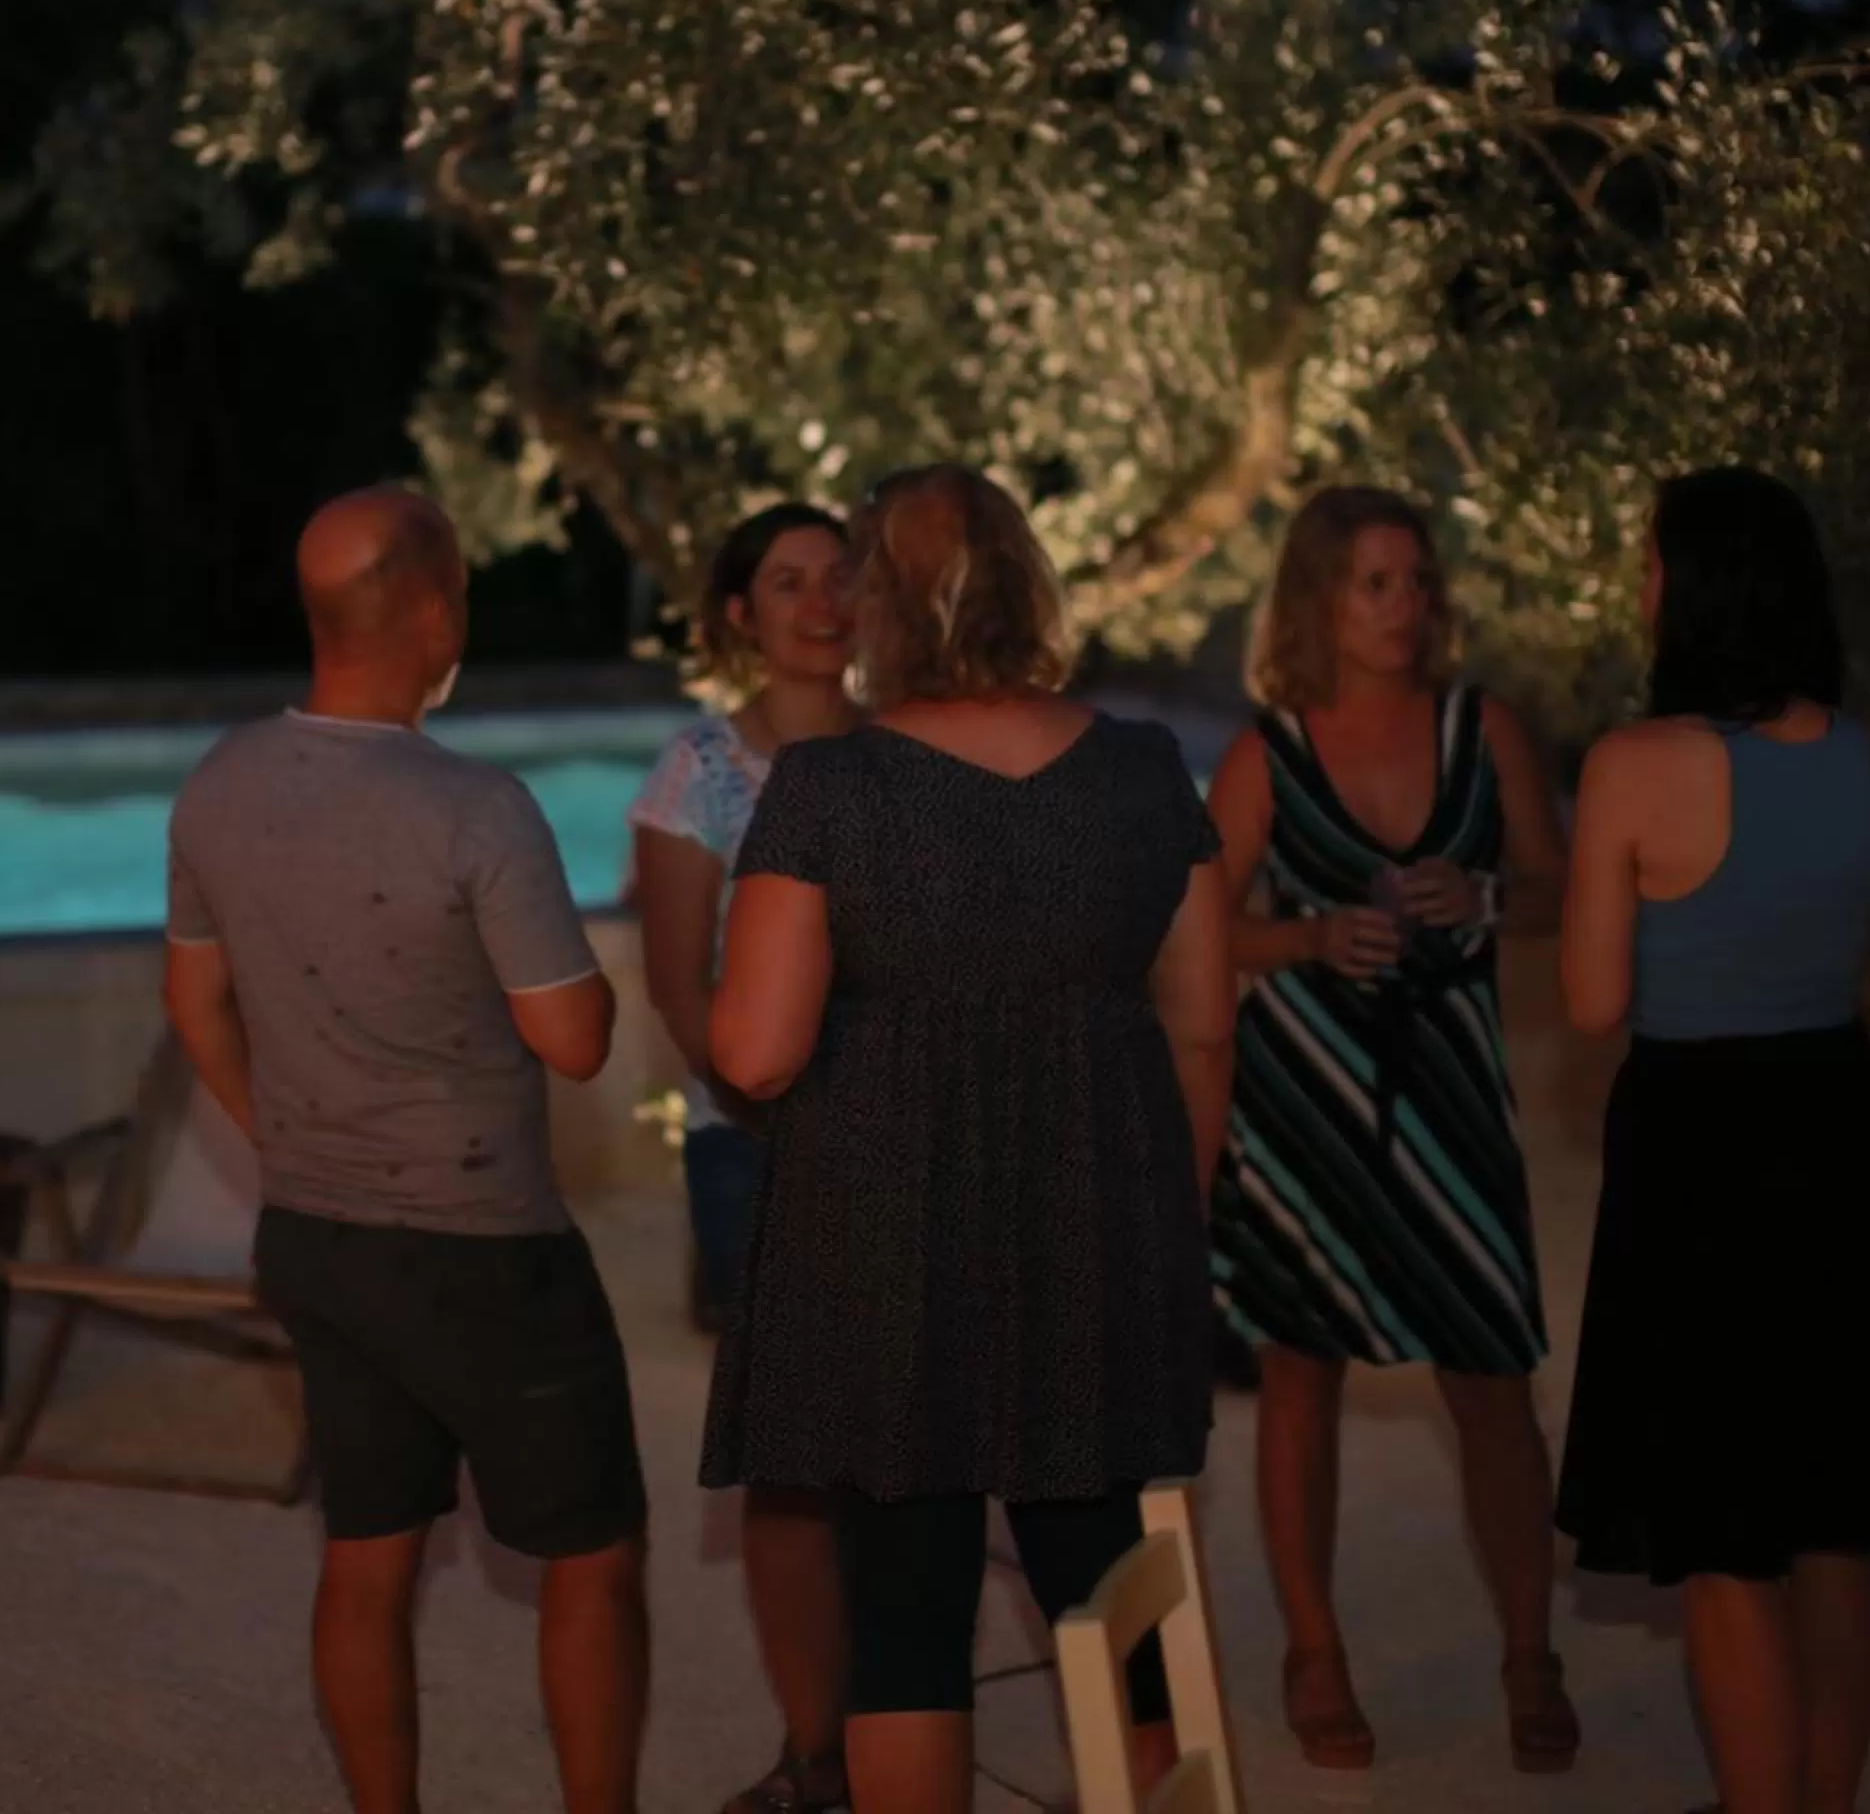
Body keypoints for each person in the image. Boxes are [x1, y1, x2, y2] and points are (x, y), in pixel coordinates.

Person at [704, 465, 1236, 1814]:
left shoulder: (827, 788)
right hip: (1097, 1216)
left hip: (886, 1231)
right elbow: (1205, 1027)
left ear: (882, 603)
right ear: (1026, 580)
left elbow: (754, 1050)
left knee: (905, 1629)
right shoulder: (1142, 768)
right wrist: (1168, 1214)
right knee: (1114, 1589)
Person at [161, 487, 650, 1814]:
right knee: (594, 1557)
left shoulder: (218, 782)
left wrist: (291, 1135)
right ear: (434, 612)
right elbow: (577, 1043)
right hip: (484, 1248)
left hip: (317, 1237)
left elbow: (195, 1009)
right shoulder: (479, 808)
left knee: (366, 1556)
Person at [1554, 465, 1870, 1814]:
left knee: (1726, 1534)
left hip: (1695, 1150)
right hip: (1827, 1139)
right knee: (1838, 1514)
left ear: (1699, 590)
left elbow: (1593, 1003)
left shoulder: (1630, 768)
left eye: (1654, 565)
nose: (1643, 589)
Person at [1202, 484, 1578, 1774]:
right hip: (1303, 1094)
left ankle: (1532, 1653)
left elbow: (1562, 894)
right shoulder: (1267, 753)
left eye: (1416, 581)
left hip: (1454, 1091)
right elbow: (1189, 932)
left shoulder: (1490, 731)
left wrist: (1482, 893)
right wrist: (1306, 935)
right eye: (1375, 583)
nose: (1405, 607)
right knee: (1302, 1378)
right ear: (1318, 597)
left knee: (1492, 1380)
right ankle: (1317, 1653)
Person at [623, 502, 856, 1814]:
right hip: (756, 1153)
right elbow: (677, 992)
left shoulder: (918, 757)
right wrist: (788, 1104)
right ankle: (815, 1751)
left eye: (841, 578)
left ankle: (899, 1724)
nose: (820, 604)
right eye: (788, 583)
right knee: (792, 1456)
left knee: (914, 1444)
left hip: (915, 1150)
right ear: (741, 618)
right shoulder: (698, 776)